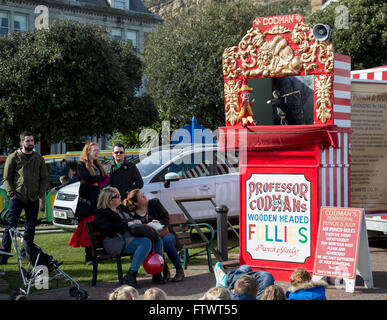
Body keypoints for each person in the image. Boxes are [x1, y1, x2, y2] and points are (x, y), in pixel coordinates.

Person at [94, 187, 164, 289]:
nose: (120, 197)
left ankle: (157, 272)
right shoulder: (101, 213)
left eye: (119, 195)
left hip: (127, 238)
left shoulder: (121, 209)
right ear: (109, 200)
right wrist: (128, 224)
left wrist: (146, 223)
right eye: (116, 196)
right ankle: (131, 274)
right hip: (114, 242)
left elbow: (132, 222)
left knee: (157, 240)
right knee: (145, 242)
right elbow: (108, 229)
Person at [1, 131, 48, 265]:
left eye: (32, 141)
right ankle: (3, 256)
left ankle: (26, 255)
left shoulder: (38, 158)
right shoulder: (13, 157)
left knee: (30, 228)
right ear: (22, 142)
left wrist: (40, 192)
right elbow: (6, 178)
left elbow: (44, 178)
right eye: (28, 141)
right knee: (10, 227)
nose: (30, 143)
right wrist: (11, 193)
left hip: (33, 198)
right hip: (17, 197)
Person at [123, 189, 185, 282]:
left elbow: (166, 218)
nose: (144, 196)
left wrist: (159, 222)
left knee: (165, 241)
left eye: (143, 194)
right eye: (141, 196)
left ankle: (179, 270)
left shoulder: (154, 203)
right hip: (151, 238)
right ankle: (161, 271)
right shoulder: (133, 213)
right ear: (136, 203)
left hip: (165, 233)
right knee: (157, 242)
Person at [68, 142, 109, 264]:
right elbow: (88, 179)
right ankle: (89, 257)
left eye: (98, 150)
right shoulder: (81, 165)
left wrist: (97, 182)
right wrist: (97, 180)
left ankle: (97, 254)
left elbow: (106, 179)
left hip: (98, 202)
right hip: (87, 204)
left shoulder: (97, 165)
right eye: (94, 150)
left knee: (98, 228)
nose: (97, 153)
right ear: (88, 152)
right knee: (87, 230)